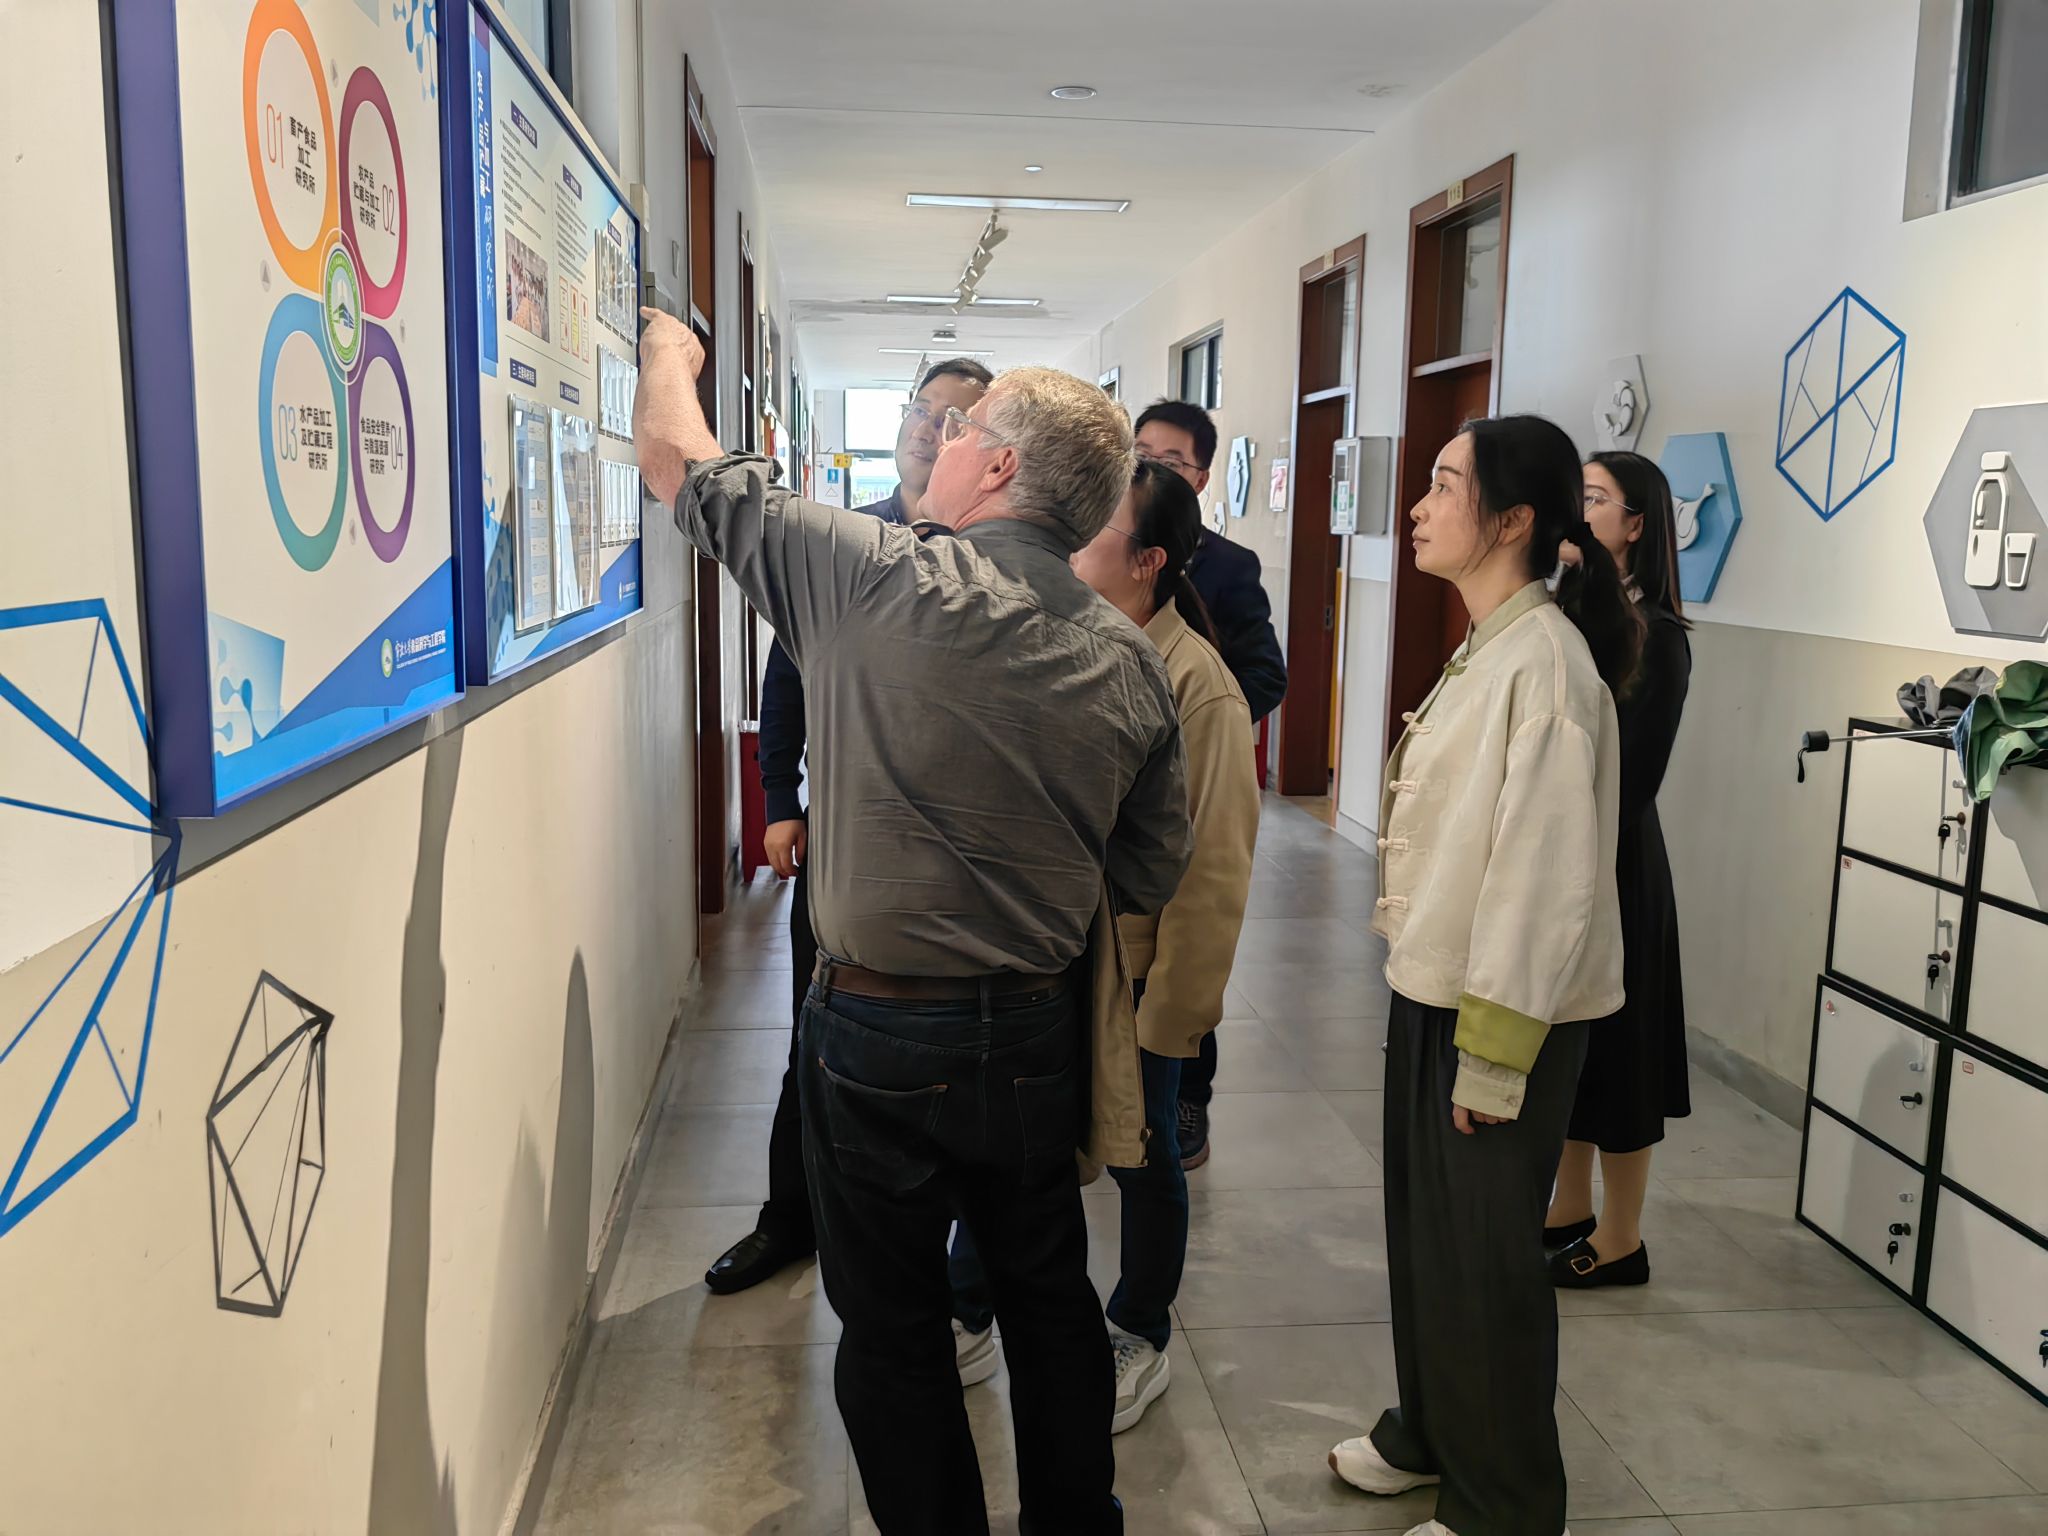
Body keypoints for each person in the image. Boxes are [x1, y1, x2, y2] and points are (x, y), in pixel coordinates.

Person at [636, 314, 1190, 1536]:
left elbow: (676, 463)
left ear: (999, 468)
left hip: (876, 1036)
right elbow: (1151, 866)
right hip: (1035, 1034)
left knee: (890, 1330)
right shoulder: (1128, 659)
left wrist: (669, 351)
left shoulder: (864, 573)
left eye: (958, 427)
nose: (936, 439)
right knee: (1046, 1296)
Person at [1327, 415, 1639, 1536]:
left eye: (1444, 486)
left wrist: (1495, 1061)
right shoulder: (1492, 643)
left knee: (1486, 1260)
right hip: (1437, 988)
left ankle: (1505, 1503)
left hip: (1500, 1015)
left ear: (1510, 521)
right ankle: (1432, 1432)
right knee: (1429, 1238)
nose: (1417, 507)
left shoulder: (1546, 668)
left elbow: (1542, 885)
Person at [949, 461, 1260, 1431]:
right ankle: (966, 1306)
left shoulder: (1199, 688)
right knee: (1008, 1139)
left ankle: (1140, 1327)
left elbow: (1212, 872)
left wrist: (1172, 1017)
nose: (1072, 544)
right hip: (1041, 956)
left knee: (1144, 1152)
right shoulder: (1061, 636)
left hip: (1133, 975)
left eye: (1097, 532)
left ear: (1149, 562)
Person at [704, 357, 994, 1299]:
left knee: (953, 1053)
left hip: (960, 853)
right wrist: (780, 798)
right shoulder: (847, 543)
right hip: (845, 838)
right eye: (922, 410)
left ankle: (951, 1254)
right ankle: (790, 1218)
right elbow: (786, 672)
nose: (929, 429)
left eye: (955, 419)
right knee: (813, 1034)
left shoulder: (1000, 556)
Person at [1542, 451, 1693, 1289]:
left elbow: (1633, 776)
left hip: (1617, 861)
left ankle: (1623, 1235)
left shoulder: (1658, 636)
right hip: (1568, 851)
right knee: (1575, 1046)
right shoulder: (1572, 610)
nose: (1580, 509)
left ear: (1635, 525)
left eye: (1595, 498)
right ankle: (1568, 1207)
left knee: (1625, 1056)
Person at [1131, 399, 1288, 1170]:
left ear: (1199, 477)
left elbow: (1265, 674)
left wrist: (1200, 729)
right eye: (1141, 453)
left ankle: (1188, 1094)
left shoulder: (1227, 565)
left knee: (1188, 943)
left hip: (1191, 782)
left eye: (1170, 461)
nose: (1151, 469)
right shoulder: (1098, 545)